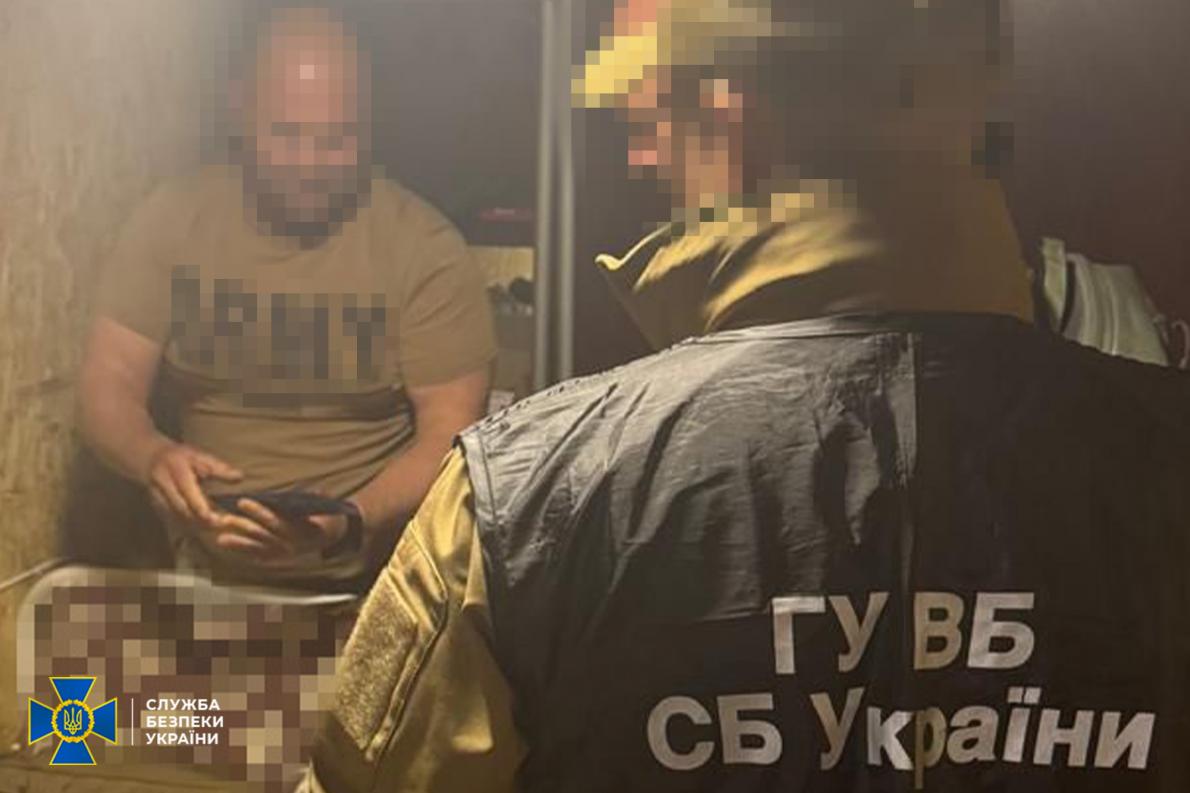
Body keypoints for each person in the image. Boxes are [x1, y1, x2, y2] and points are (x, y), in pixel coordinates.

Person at [304, 0, 1190, 791]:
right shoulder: (1163, 459)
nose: (641, 158)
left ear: (733, 112)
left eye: (649, 118)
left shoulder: (526, 503)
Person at [77, 6, 495, 591]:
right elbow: (107, 387)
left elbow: (450, 438)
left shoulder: (423, 248)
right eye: (286, 134)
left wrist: (350, 520)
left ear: (367, 129)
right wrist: (152, 457)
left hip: (370, 585)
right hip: (205, 580)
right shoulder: (173, 222)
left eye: (336, 140)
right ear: (239, 115)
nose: (309, 164)